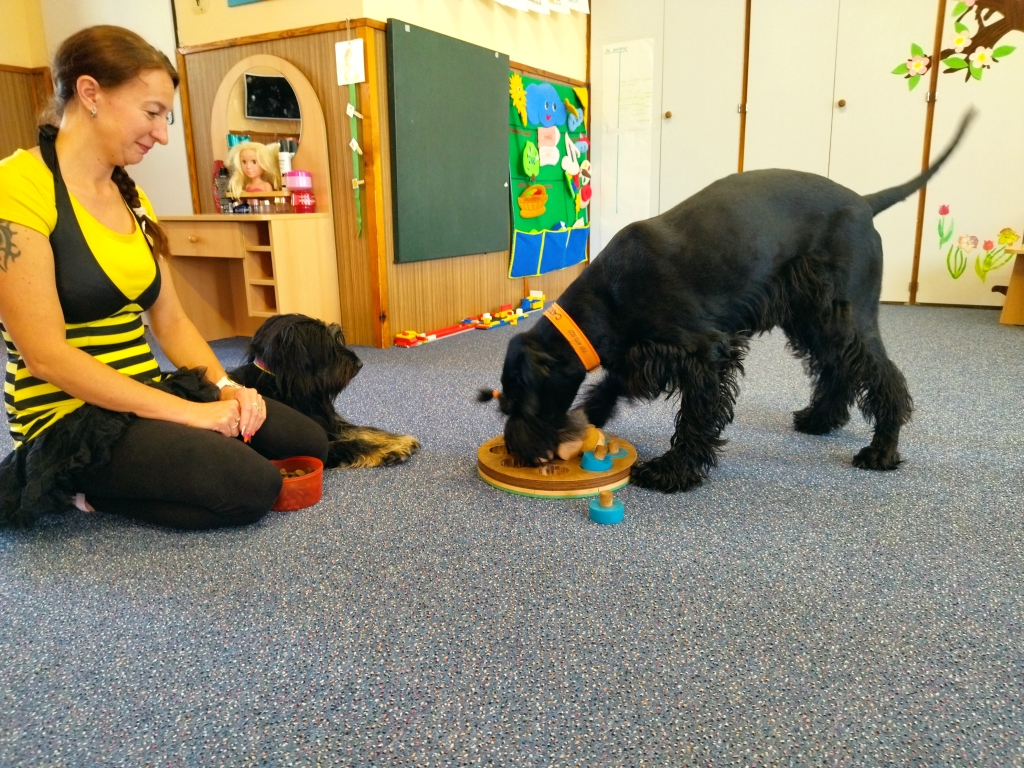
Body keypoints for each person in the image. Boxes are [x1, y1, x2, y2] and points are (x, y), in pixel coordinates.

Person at [0, 26, 328, 529]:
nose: (162, 134)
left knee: (306, 442)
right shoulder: (16, 187)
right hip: (67, 419)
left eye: (164, 117)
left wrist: (224, 388)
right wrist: (192, 415)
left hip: (143, 394)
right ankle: (76, 488)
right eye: (152, 113)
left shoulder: (131, 197)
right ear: (90, 93)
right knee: (251, 487)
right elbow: (45, 356)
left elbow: (171, 322)